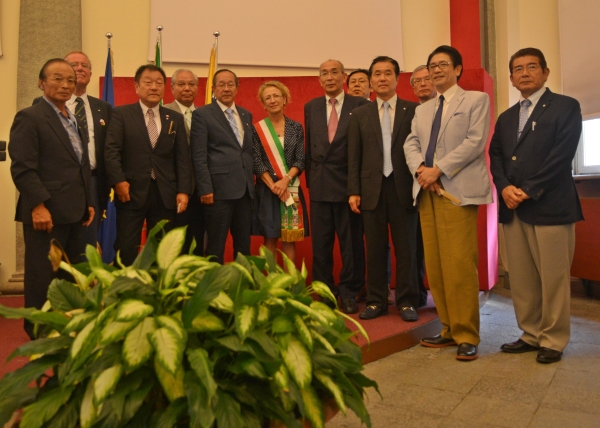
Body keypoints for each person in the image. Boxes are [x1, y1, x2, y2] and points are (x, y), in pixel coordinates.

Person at [489, 48, 583, 364]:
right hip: (513, 206)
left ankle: (553, 339)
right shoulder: (506, 117)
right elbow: (496, 156)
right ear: (511, 78)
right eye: (518, 69)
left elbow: (562, 155)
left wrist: (528, 190)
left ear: (545, 72)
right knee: (522, 277)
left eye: (532, 66)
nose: (525, 73)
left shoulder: (566, 106)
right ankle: (530, 334)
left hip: (550, 205)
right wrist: (504, 187)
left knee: (553, 278)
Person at [404, 45, 492, 361]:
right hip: (427, 191)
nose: (436, 70)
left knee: (460, 264)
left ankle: (467, 334)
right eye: (432, 66)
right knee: (437, 264)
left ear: (457, 69)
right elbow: (411, 142)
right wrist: (421, 171)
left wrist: (438, 169)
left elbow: (474, 142)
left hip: (457, 192)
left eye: (443, 64)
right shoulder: (423, 109)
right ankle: (448, 328)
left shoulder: (476, 100)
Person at [9, 58, 94, 338]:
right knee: (43, 276)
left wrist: (89, 201)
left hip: (75, 212)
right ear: (41, 83)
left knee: (71, 276)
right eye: (58, 78)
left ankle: (68, 327)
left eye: (70, 80)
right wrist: (38, 205)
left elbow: (81, 164)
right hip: (46, 213)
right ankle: (40, 332)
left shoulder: (73, 118)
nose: (65, 85)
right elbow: (23, 168)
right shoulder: (30, 117)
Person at [348, 56, 419, 321]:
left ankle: (407, 301)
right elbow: (354, 155)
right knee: (375, 249)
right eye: (377, 74)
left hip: (404, 188)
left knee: (407, 248)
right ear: (371, 81)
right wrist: (353, 190)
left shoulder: (413, 111)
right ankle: (377, 300)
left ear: (397, 78)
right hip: (371, 190)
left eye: (388, 73)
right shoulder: (360, 114)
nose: (382, 78)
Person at [104, 64, 191, 266]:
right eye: (148, 82)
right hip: (130, 191)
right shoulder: (121, 114)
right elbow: (111, 151)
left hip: (165, 193)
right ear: (136, 86)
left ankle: (158, 285)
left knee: (163, 249)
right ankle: (126, 284)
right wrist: (118, 181)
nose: (154, 87)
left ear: (164, 88)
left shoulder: (175, 118)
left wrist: (183, 190)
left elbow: (182, 158)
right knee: (126, 247)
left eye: (159, 83)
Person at [304, 60, 369, 314]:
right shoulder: (311, 106)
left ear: (344, 77)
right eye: (324, 73)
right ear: (319, 79)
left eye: (334, 72)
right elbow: (310, 148)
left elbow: (363, 149)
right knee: (321, 245)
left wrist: (357, 187)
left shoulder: (360, 105)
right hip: (320, 186)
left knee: (351, 244)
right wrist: (311, 182)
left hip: (348, 187)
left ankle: (350, 291)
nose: (329, 77)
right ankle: (325, 292)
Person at [32, 51, 112, 250]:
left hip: (93, 184)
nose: (79, 68)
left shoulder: (103, 108)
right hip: (56, 189)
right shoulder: (39, 109)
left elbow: (110, 148)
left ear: (90, 73)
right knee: (55, 250)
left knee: (85, 247)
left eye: (85, 65)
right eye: (73, 65)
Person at [190, 69, 254, 264]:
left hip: (245, 192)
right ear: (213, 88)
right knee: (215, 246)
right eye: (221, 85)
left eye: (230, 84)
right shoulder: (202, 114)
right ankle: (214, 282)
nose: (226, 89)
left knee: (244, 247)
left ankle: (241, 281)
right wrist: (205, 188)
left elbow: (246, 151)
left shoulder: (246, 114)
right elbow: (198, 155)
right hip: (217, 192)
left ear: (237, 87)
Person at [252, 81, 308, 265]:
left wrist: (285, 181)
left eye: (276, 96)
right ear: (263, 103)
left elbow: (300, 159)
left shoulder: (296, 127)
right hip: (267, 189)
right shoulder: (257, 129)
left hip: (291, 187)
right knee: (269, 238)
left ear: (284, 99)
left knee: (289, 239)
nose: (272, 100)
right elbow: (257, 162)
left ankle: (290, 281)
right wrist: (274, 186)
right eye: (267, 97)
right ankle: (270, 281)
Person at [164, 69, 205, 255]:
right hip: (173, 188)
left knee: (197, 241)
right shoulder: (164, 113)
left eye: (191, 84)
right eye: (181, 84)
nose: (187, 88)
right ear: (172, 88)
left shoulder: (205, 115)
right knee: (174, 243)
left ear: (197, 87)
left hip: (201, 191)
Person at [409, 64, 437, 307]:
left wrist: (435, 173)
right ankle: (418, 294)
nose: (423, 84)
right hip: (417, 188)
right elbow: (409, 148)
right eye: (417, 81)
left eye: (427, 79)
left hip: (447, 186)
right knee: (416, 246)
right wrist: (421, 172)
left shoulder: (448, 108)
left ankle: (447, 301)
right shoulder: (411, 113)